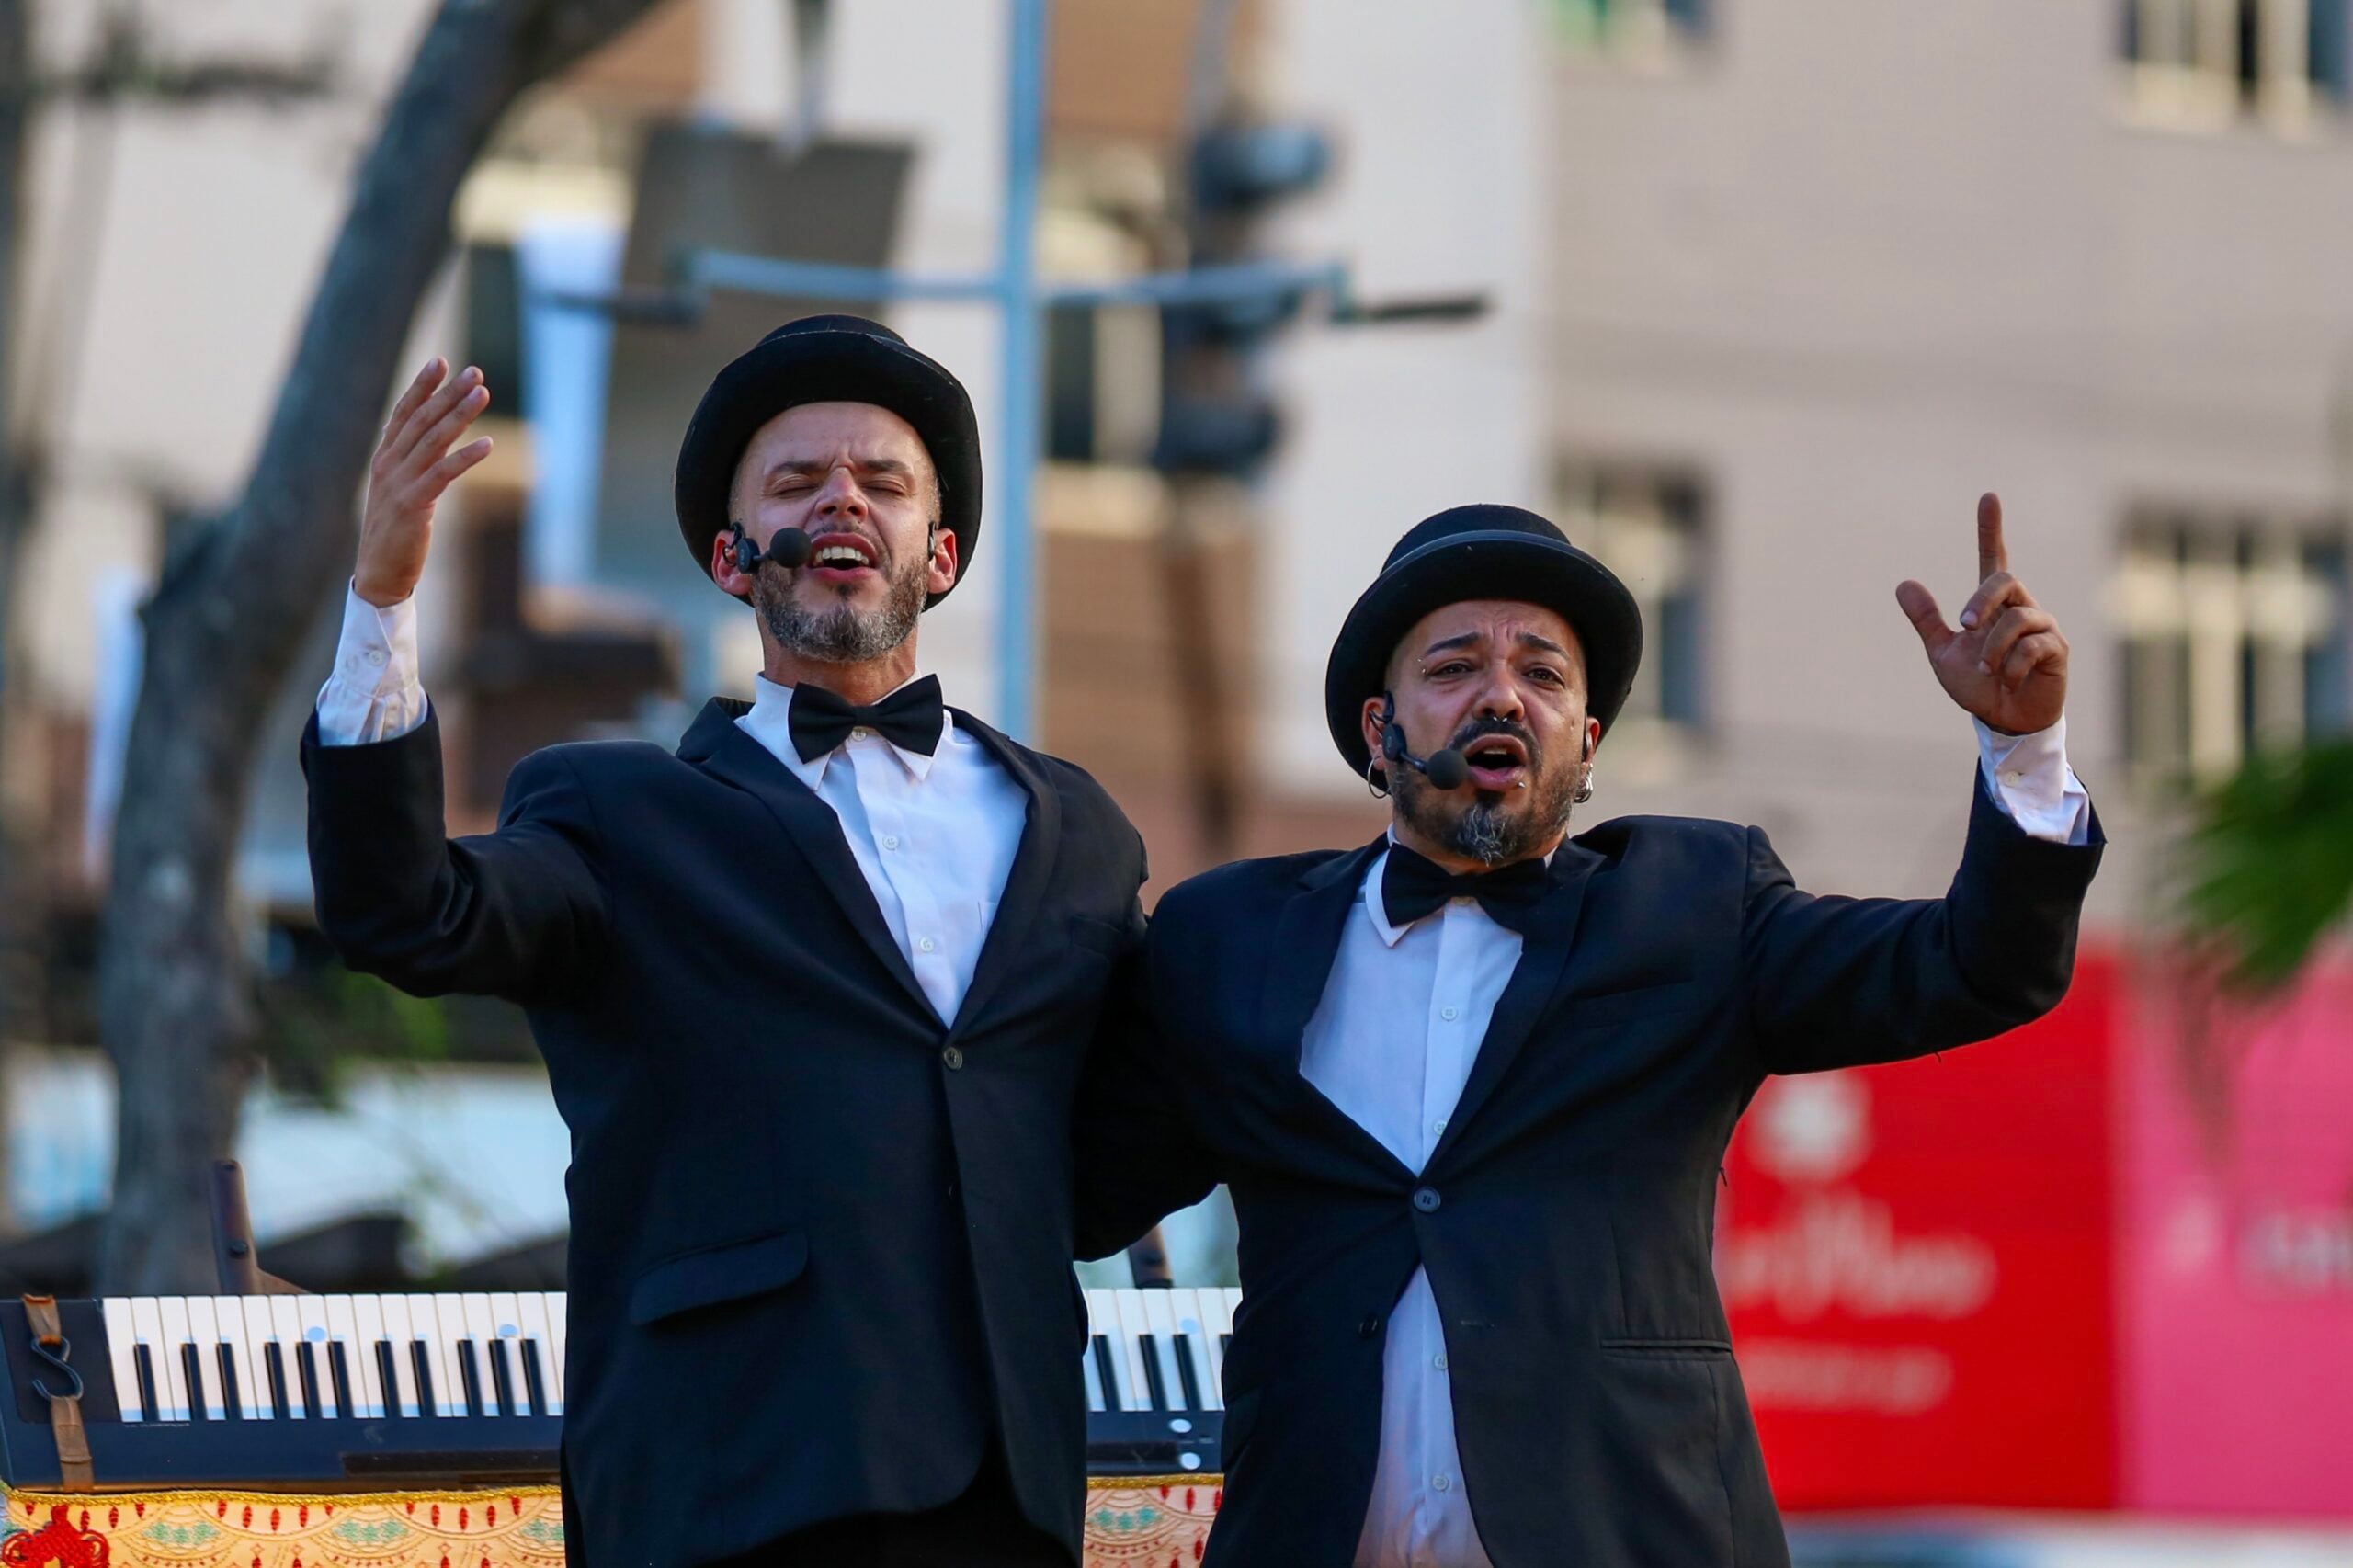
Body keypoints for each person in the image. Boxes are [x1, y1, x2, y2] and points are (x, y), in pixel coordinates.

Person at [1083, 498, 2102, 1567]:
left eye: (1543, 672)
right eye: (1453, 666)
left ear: (1586, 741)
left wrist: (2022, 748)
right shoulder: (1229, 935)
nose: (1501, 694)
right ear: (1381, 731)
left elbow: (1977, 968)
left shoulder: (1695, 907)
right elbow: (1081, 1186)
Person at [304, 316, 1151, 1567]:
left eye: (884, 482)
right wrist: (382, 598)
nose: (842, 502)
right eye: (799, 483)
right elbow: (408, 912)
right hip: (725, 1476)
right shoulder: (617, 811)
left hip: (1004, 1480)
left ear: (944, 551)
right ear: (730, 555)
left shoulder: (1075, 825)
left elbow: (1128, 1125)